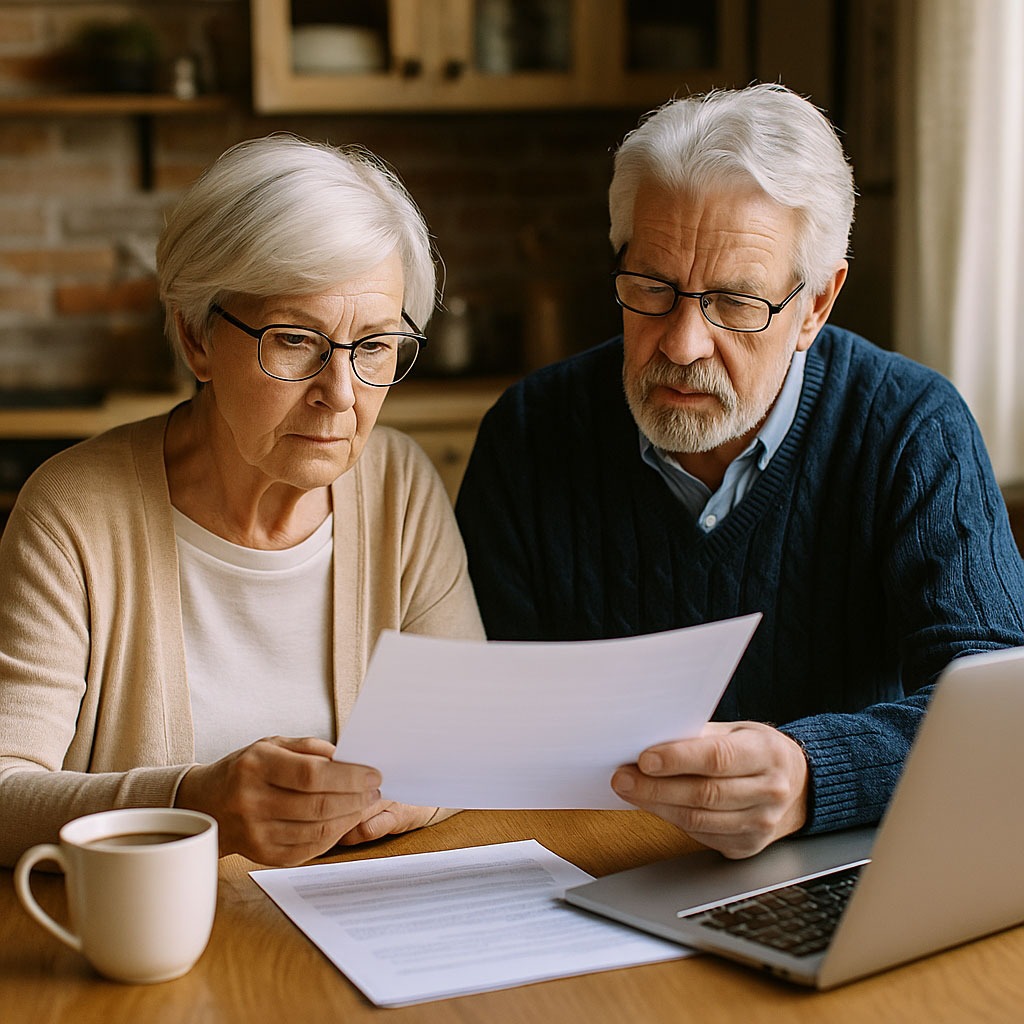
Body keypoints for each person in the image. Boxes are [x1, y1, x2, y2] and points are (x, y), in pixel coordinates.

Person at [455, 84, 1024, 859]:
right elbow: (480, 722)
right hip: (583, 875)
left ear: (817, 303)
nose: (683, 342)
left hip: (837, 867)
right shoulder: (527, 435)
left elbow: (1002, 714)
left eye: (734, 303)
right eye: (652, 289)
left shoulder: (909, 428)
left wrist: (810, 776)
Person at [0, 135, 483, 869]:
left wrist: (420, 787)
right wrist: (193, 806)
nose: (342, 395)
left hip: (355, 934)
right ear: (197, 338)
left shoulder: (399, 486)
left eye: (376, 346)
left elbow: (472, 733)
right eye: (295, 340)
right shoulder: (73, 514)